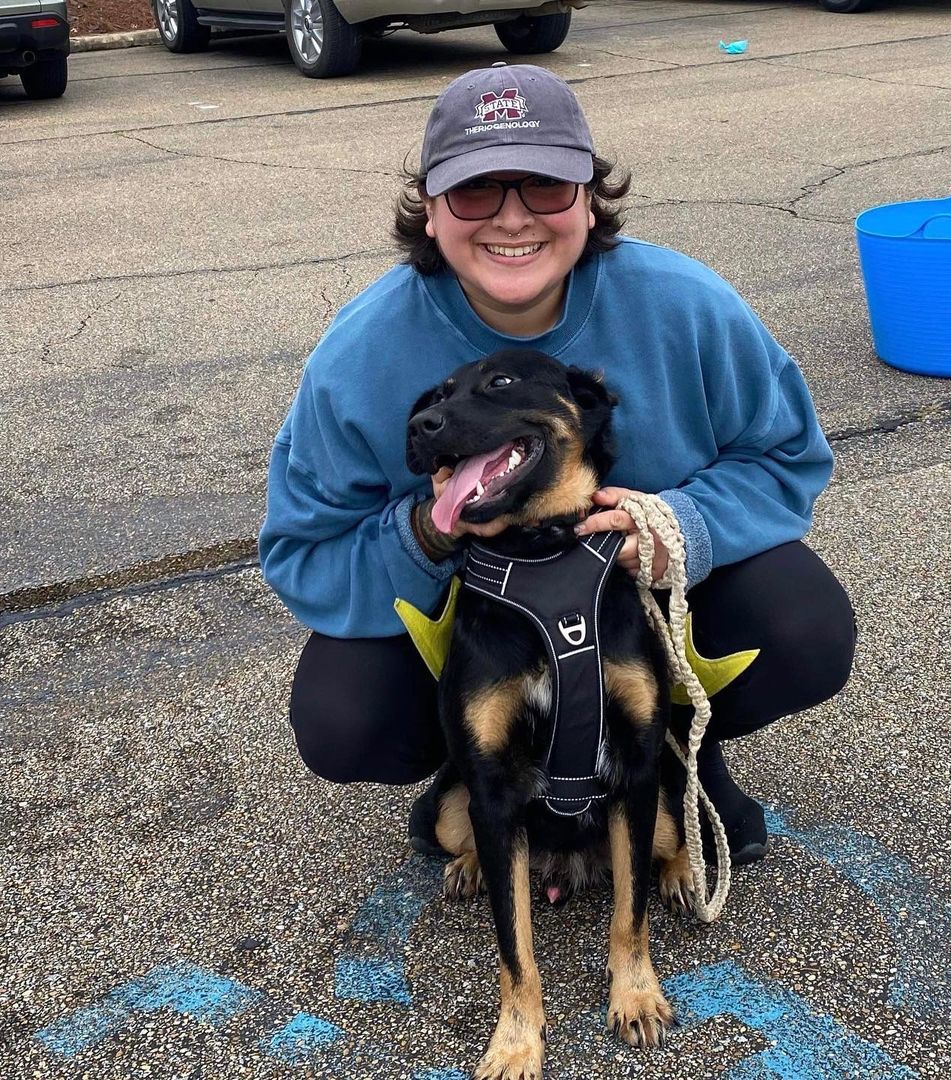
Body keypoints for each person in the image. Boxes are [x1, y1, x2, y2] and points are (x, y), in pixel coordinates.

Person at [259, 63, 856, 866]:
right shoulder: (359, 356)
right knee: (344, 717)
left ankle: (675, 753)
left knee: (803, 626)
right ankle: (483, 760)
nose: (512, 219)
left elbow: (785, 452)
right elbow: (303, 552)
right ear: (431, 211)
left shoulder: (685, 304)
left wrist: (686, 526)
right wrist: (427, 536)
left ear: (588, 200)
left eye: (544, 186)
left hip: (638, 612)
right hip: (483, 630)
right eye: (475, 193)